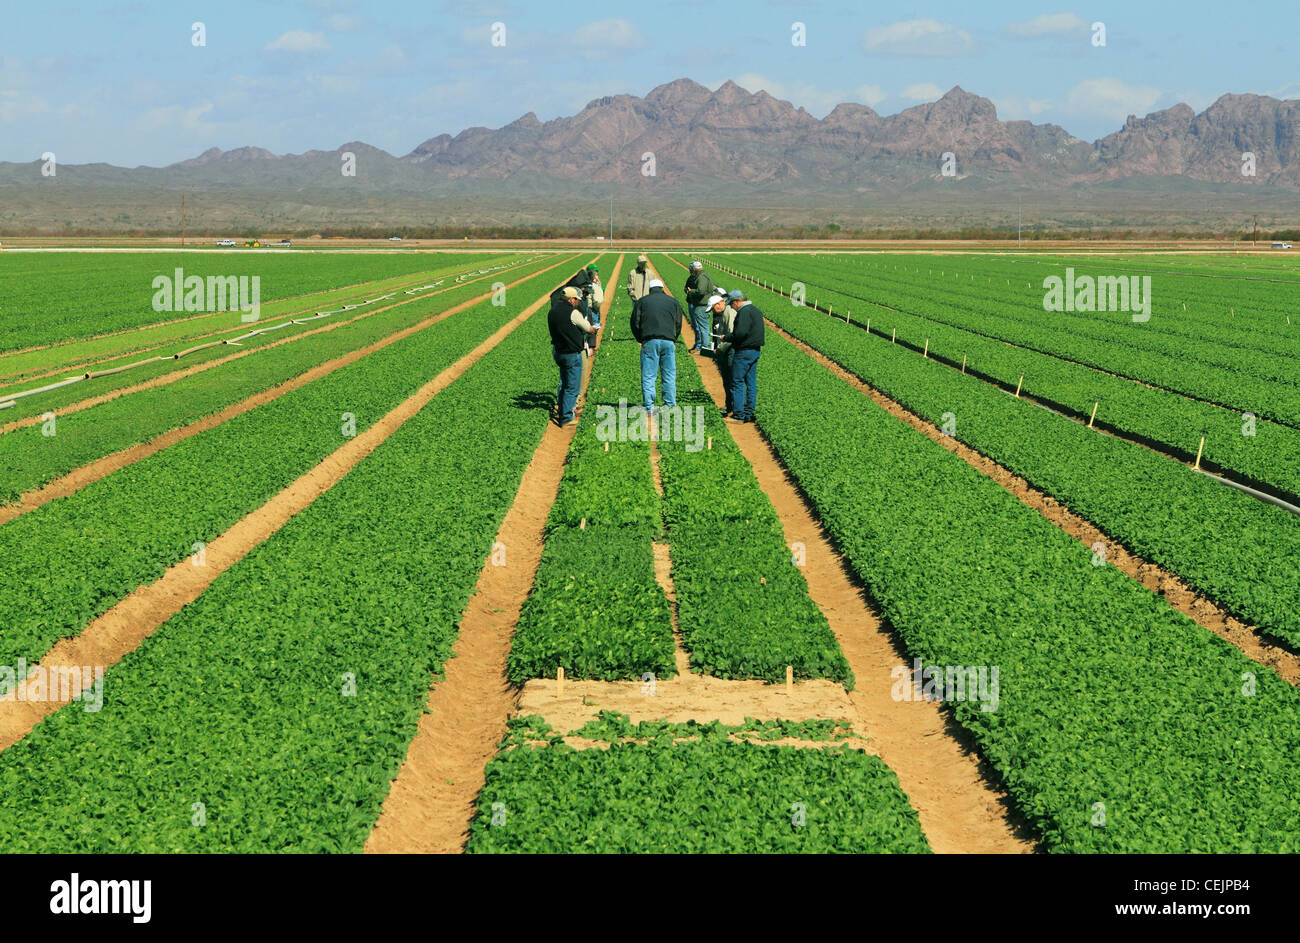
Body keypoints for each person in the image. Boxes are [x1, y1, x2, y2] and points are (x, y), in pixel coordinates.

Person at [629, 278, 682, 415]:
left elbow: (635, 322)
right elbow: (678, 323)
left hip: (650, 340)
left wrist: (640, 338)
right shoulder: (673, 302)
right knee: (669, 374)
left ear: (650, 289)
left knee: (649, 375)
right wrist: (673, 338)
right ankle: (670, 404)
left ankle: (649, 406)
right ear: (662, 288)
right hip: (668, 341)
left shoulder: (642, 302)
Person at [548, 286, 596, 426]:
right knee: (572, 387)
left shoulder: (552, 312)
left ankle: (563, 410)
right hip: (571, 353)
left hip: (558, 352)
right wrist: (593, 330)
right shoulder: (573, 312)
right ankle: (567, 417)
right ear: (571, 299)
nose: (577, 302)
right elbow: (587, 327)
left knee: (564, 383)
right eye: (576, 299)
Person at [722, 289, 764, 423]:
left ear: (737, 302)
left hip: (744, 351)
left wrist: (727, 337)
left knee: (737, 381)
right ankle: (749, 413)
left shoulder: (744, 312)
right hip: (755, 350)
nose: (732, 307)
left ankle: (739, 415)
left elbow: (740, 333)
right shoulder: (756, 310)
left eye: (731, 304)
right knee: (751, 382)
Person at [706, 293, 736, 415]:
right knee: (727, 379)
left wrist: (719, 349)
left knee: (732, 379)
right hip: (725, 350)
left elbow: (730, 335)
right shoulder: (723, 313)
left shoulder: (729, 313)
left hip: (730, 350)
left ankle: (735, 407)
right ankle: (729, 406)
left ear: (718, 304)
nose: (713, 311)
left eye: (713, 308)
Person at [683, 260, 715, 354]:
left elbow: (701, 291)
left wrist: (691, 291)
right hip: (698, 304)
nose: (689, 271)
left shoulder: (702, 277)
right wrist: (687, 290)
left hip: (701, 305)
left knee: (702, 327)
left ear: (694, 269)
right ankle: (700, 346)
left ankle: (702, 348)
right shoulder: (697, 276)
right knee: (700, 326)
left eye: (690, 269)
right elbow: (687, 287)